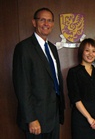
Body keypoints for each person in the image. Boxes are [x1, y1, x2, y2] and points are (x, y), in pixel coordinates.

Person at [12, 8, 65, 139]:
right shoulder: (23, 48)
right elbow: (22, 86)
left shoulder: (52, 48)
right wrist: (31, 119)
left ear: (53, 24)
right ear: (34, 22)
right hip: (36, 118)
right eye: (42, 20)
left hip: (53, 115)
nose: (46, 24)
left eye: (49, 21)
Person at [66, 38, 95, 139]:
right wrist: (89, 118)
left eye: (94, 51)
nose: (90, 54)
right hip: (81, 118)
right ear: (81, 52)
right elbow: (75, 98)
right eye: (87, 50)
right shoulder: (73, 72)